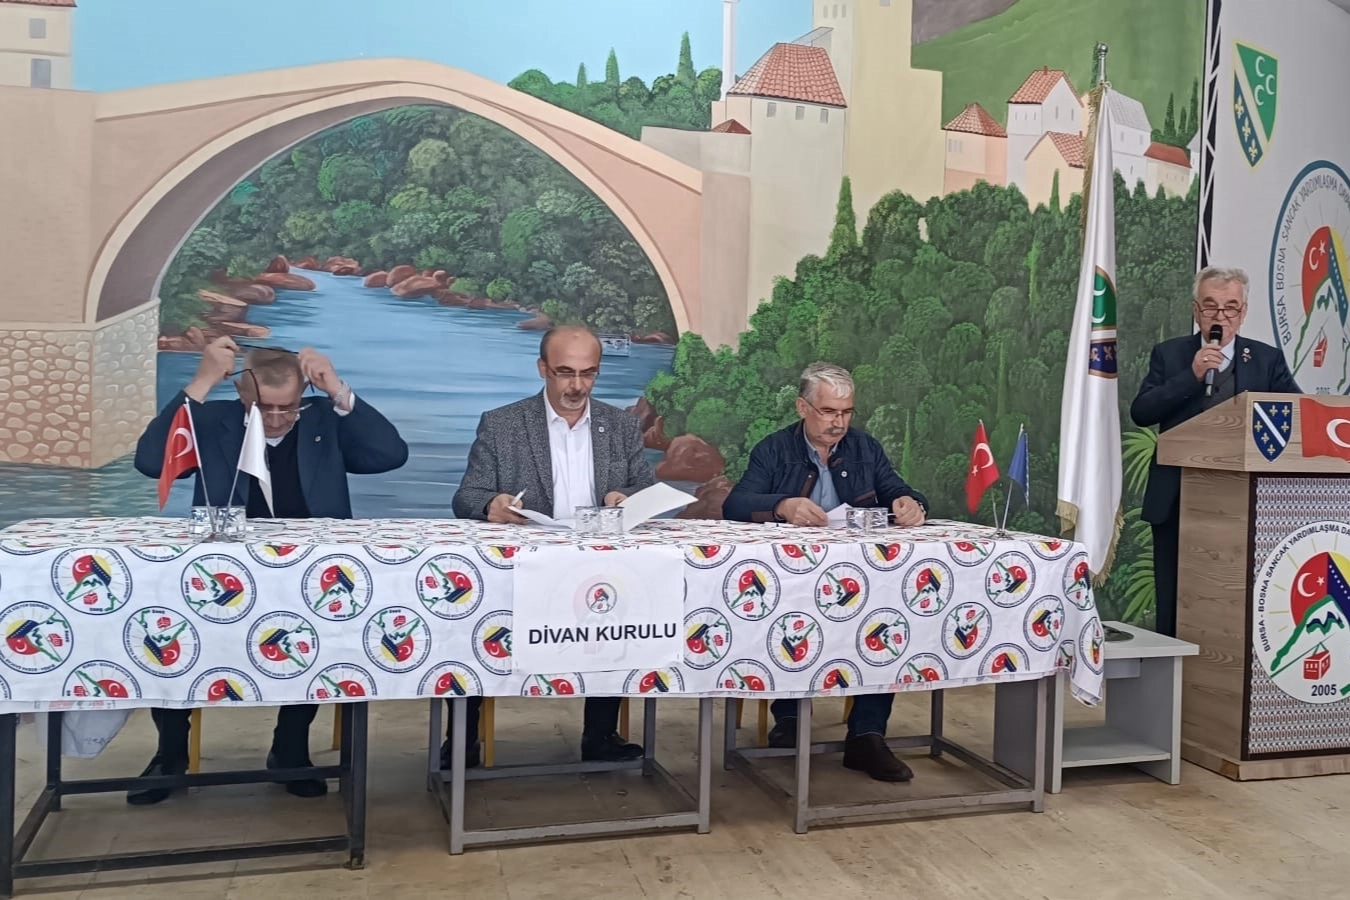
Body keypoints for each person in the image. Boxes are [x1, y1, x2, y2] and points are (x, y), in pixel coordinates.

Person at [131, 336, 408, 804]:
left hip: (308, 575)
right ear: (241, 392)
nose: (277, 418)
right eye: (265, 408)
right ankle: (170, 753)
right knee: (171, 631)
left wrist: (337, 389)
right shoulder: (212, 420)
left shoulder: (322, 420)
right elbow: (149, 462)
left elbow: (390, 455)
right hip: (220, 571)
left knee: (319, 640)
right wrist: (200, 382)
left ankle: (290, 750)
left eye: (288, 407)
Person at [450, 326, 654, 767]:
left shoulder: (620, 426)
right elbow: (466, 496)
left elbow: (645, 486)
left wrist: (625, 497)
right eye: (565, 373)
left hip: (600, 566)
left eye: (588, 373)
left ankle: (600, 736)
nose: (577, 386)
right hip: (521, 569)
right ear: (542, 369)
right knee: (470, 616)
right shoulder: (503, 424)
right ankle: (461, 739)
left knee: (623, 610)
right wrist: (491, 504)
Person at [723, 362, 928, 782]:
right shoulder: (773, 449)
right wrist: (782, 505)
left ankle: (867, 736)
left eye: (847, 412)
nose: (839, 423)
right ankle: (789, 717)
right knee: (784, 618)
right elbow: (735, 505)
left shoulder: (865, 448)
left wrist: (910, 502)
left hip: (863, 577)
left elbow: (897, 489)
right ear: (803, 407)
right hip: (791, 579)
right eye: (829, 412)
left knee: (888, 619)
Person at [1130, 266, 1300, 637]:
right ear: (1196, 310)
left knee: (1234, 601)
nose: (1220, 317)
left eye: (1230, 308)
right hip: (1177, 497)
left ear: (1243, 313)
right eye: (1211, 307)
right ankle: (1171, 669)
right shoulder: (1170, 354)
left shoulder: (1266, 360)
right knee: (1174, 599)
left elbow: (1298, 414)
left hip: (1244, 504)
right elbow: (1141, 412)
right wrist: (1190, 376)